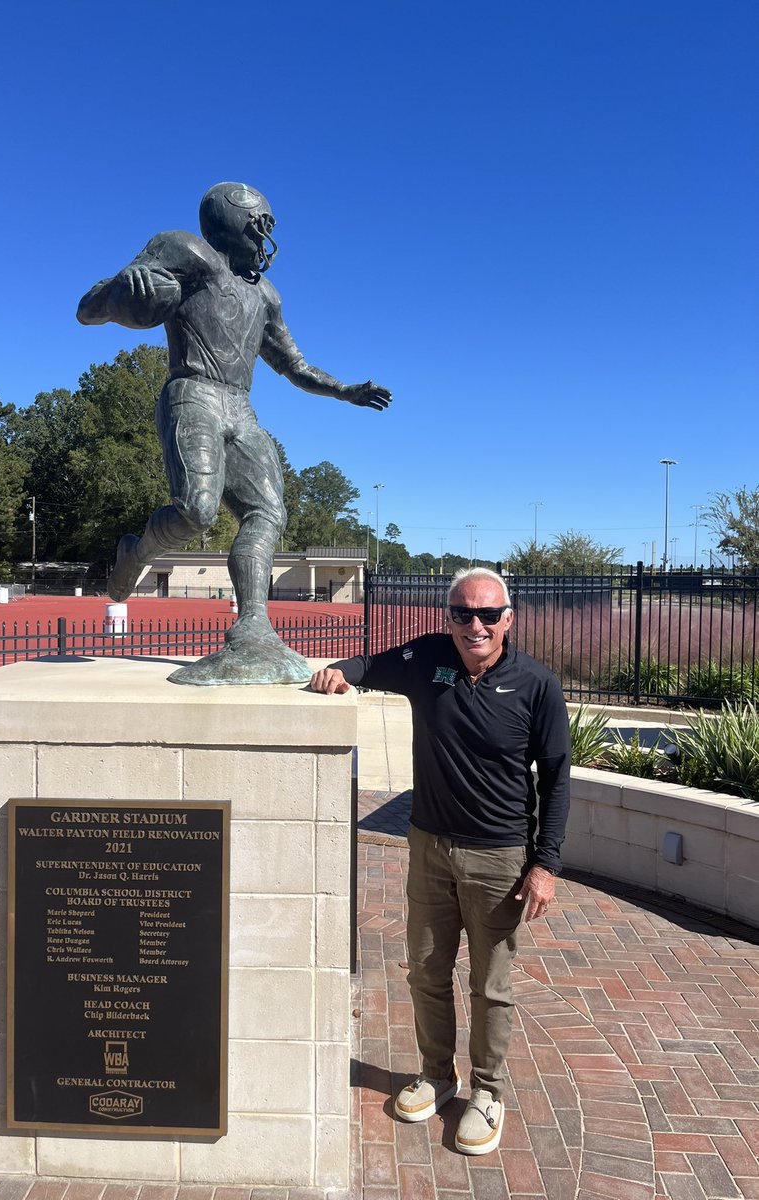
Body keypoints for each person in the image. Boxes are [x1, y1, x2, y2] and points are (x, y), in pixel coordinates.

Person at [77, 182, 390, 683]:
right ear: (230, 223)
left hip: (240, 408)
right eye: (258, 225)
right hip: (194, 391)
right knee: (197, 511)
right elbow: (88, 308)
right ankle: (135, 553)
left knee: (268, 511)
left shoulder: (265, 294)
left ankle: (252, 624)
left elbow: (294, 365)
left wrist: (344, 391)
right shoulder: (187, 251)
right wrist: (123, 287)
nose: (265, 237)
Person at [310, 567, 570, 1155]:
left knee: (490, 984)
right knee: (425, 970)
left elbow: (556, 781)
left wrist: (545, 864)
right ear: (447, 617)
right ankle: (436, 1073)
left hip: (500, 857)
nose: (474, 625)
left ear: (509, 617)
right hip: (428, 847)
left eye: (487, 614)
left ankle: (487, 1091)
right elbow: (369, 666)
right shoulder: (429, 659)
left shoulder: (536, 685)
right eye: (461, 614)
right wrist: (337, 674)